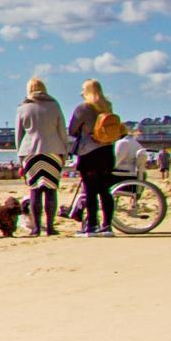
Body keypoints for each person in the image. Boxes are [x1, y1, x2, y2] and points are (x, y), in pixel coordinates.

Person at [15, 77, 70, 237]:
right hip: (53, 150)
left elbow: (19, 135)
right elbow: (62, 131)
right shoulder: (54, 106)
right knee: (51, 189)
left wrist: (20, 156)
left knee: (35, 190)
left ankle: (37, 228)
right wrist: (64, 152)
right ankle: (50, 227)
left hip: (30, 151)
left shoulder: (23, 108)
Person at [68, 79, 121, 238]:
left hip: (89, 153)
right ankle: (107, 225)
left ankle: (91, 225)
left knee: (90, 191)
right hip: (106, 151)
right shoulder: (107, 106)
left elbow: (72, 130)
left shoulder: (83, 108)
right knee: (105, 191)